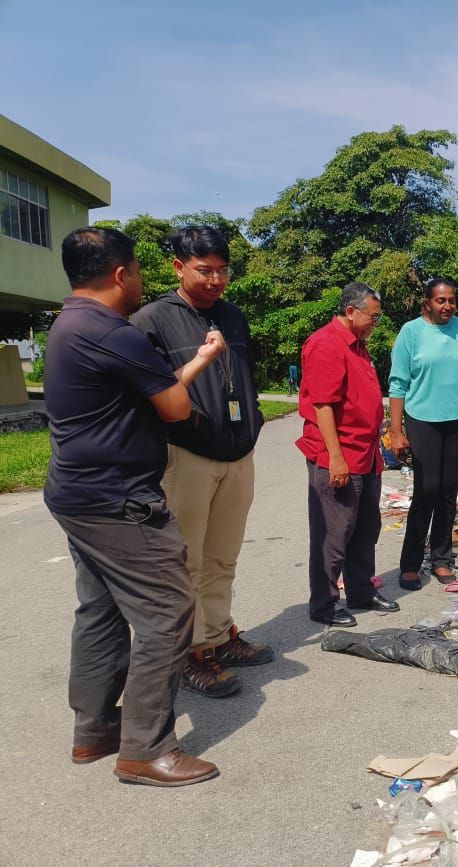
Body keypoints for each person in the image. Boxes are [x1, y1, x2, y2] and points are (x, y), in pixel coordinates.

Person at [44, 227, 223, 786]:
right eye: (139, 271)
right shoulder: (112, 332)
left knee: (99, 610)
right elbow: (172, 407)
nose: (141, 281)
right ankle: (146, 748)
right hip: (117, 499)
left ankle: (95, 731)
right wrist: (203, 362)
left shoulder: (67, 323)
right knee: (168, 611)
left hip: (75, 490)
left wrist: (188, 363)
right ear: (120, 274)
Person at [132, 226, 271, 699]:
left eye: (222, 271)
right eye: (203, 270)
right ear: (178, 267)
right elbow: (148, 392)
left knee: (222, 557)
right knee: (185, 560)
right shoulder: (151, 320)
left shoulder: (233, 317)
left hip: (236, 452)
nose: (215, 280)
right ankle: (190, 654)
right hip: (186, 454)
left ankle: (217, 636)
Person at [297, 283, 400, 626]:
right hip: (339, 455)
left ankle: (361, 591)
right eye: (373, 316)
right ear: (351, 311)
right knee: (334, 533)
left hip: (366, 454)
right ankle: (324, 604)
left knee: (365, 529)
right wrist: (335, 457)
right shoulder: (326, 343)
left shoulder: (358, 346)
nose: (376, 323)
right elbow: (322, 405)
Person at [389, 278, 458, 591]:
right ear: (427, 303)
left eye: (451, 300)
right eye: (440, 301)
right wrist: (396, 429)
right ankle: (410, 564)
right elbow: (397, 384)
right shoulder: (412, 332)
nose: (447, 306)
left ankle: (442, 559)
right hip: (422, 418)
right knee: (427, 488)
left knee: (448, 490)